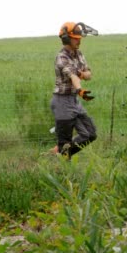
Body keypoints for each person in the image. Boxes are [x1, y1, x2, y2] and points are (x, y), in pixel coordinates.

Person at [50, 22, 98, 160]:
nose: (79, 40)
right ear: (66, 38)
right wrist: (80, 90)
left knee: (90, 134)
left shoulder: (79, 54)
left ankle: (59, 153)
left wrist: (84, 74)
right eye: (75, 38)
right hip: (62, 102)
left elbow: (88, 73)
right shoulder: (62, 57)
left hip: (74, 101)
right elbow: (73, 76)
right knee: (65, 142)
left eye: (79, 38)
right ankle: (62, 161)